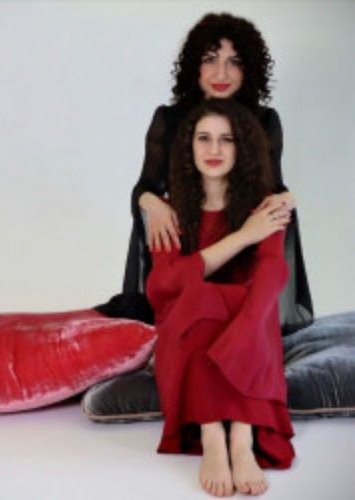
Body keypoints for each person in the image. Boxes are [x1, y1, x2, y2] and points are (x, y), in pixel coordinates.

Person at [96, 12, 313, 335]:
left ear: (249, 69)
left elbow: (274, 188)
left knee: (274, 221)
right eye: (210, 59)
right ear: (193, 66)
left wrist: (288, 198)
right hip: (189, 242)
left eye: (234, 62)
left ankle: (255, 316)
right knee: (159, 233)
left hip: (243, 243)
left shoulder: (265, 120)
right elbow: (144, 186)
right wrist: (151, 202)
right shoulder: (169, 119)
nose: (221, 73)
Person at [147, 98, 295, 497]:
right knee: (198, 297)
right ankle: (212, 436)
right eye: (204, 138)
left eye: (226, 139)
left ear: (241, 147)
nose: (214, 149)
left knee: (251, 298)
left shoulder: (266, 206)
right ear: (189, 147)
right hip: (186, 329)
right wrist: (244, 236)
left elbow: (272, 272)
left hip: (249, 327)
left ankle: (242, 439)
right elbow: (165, 284)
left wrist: (246, 328)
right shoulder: (167, 211)